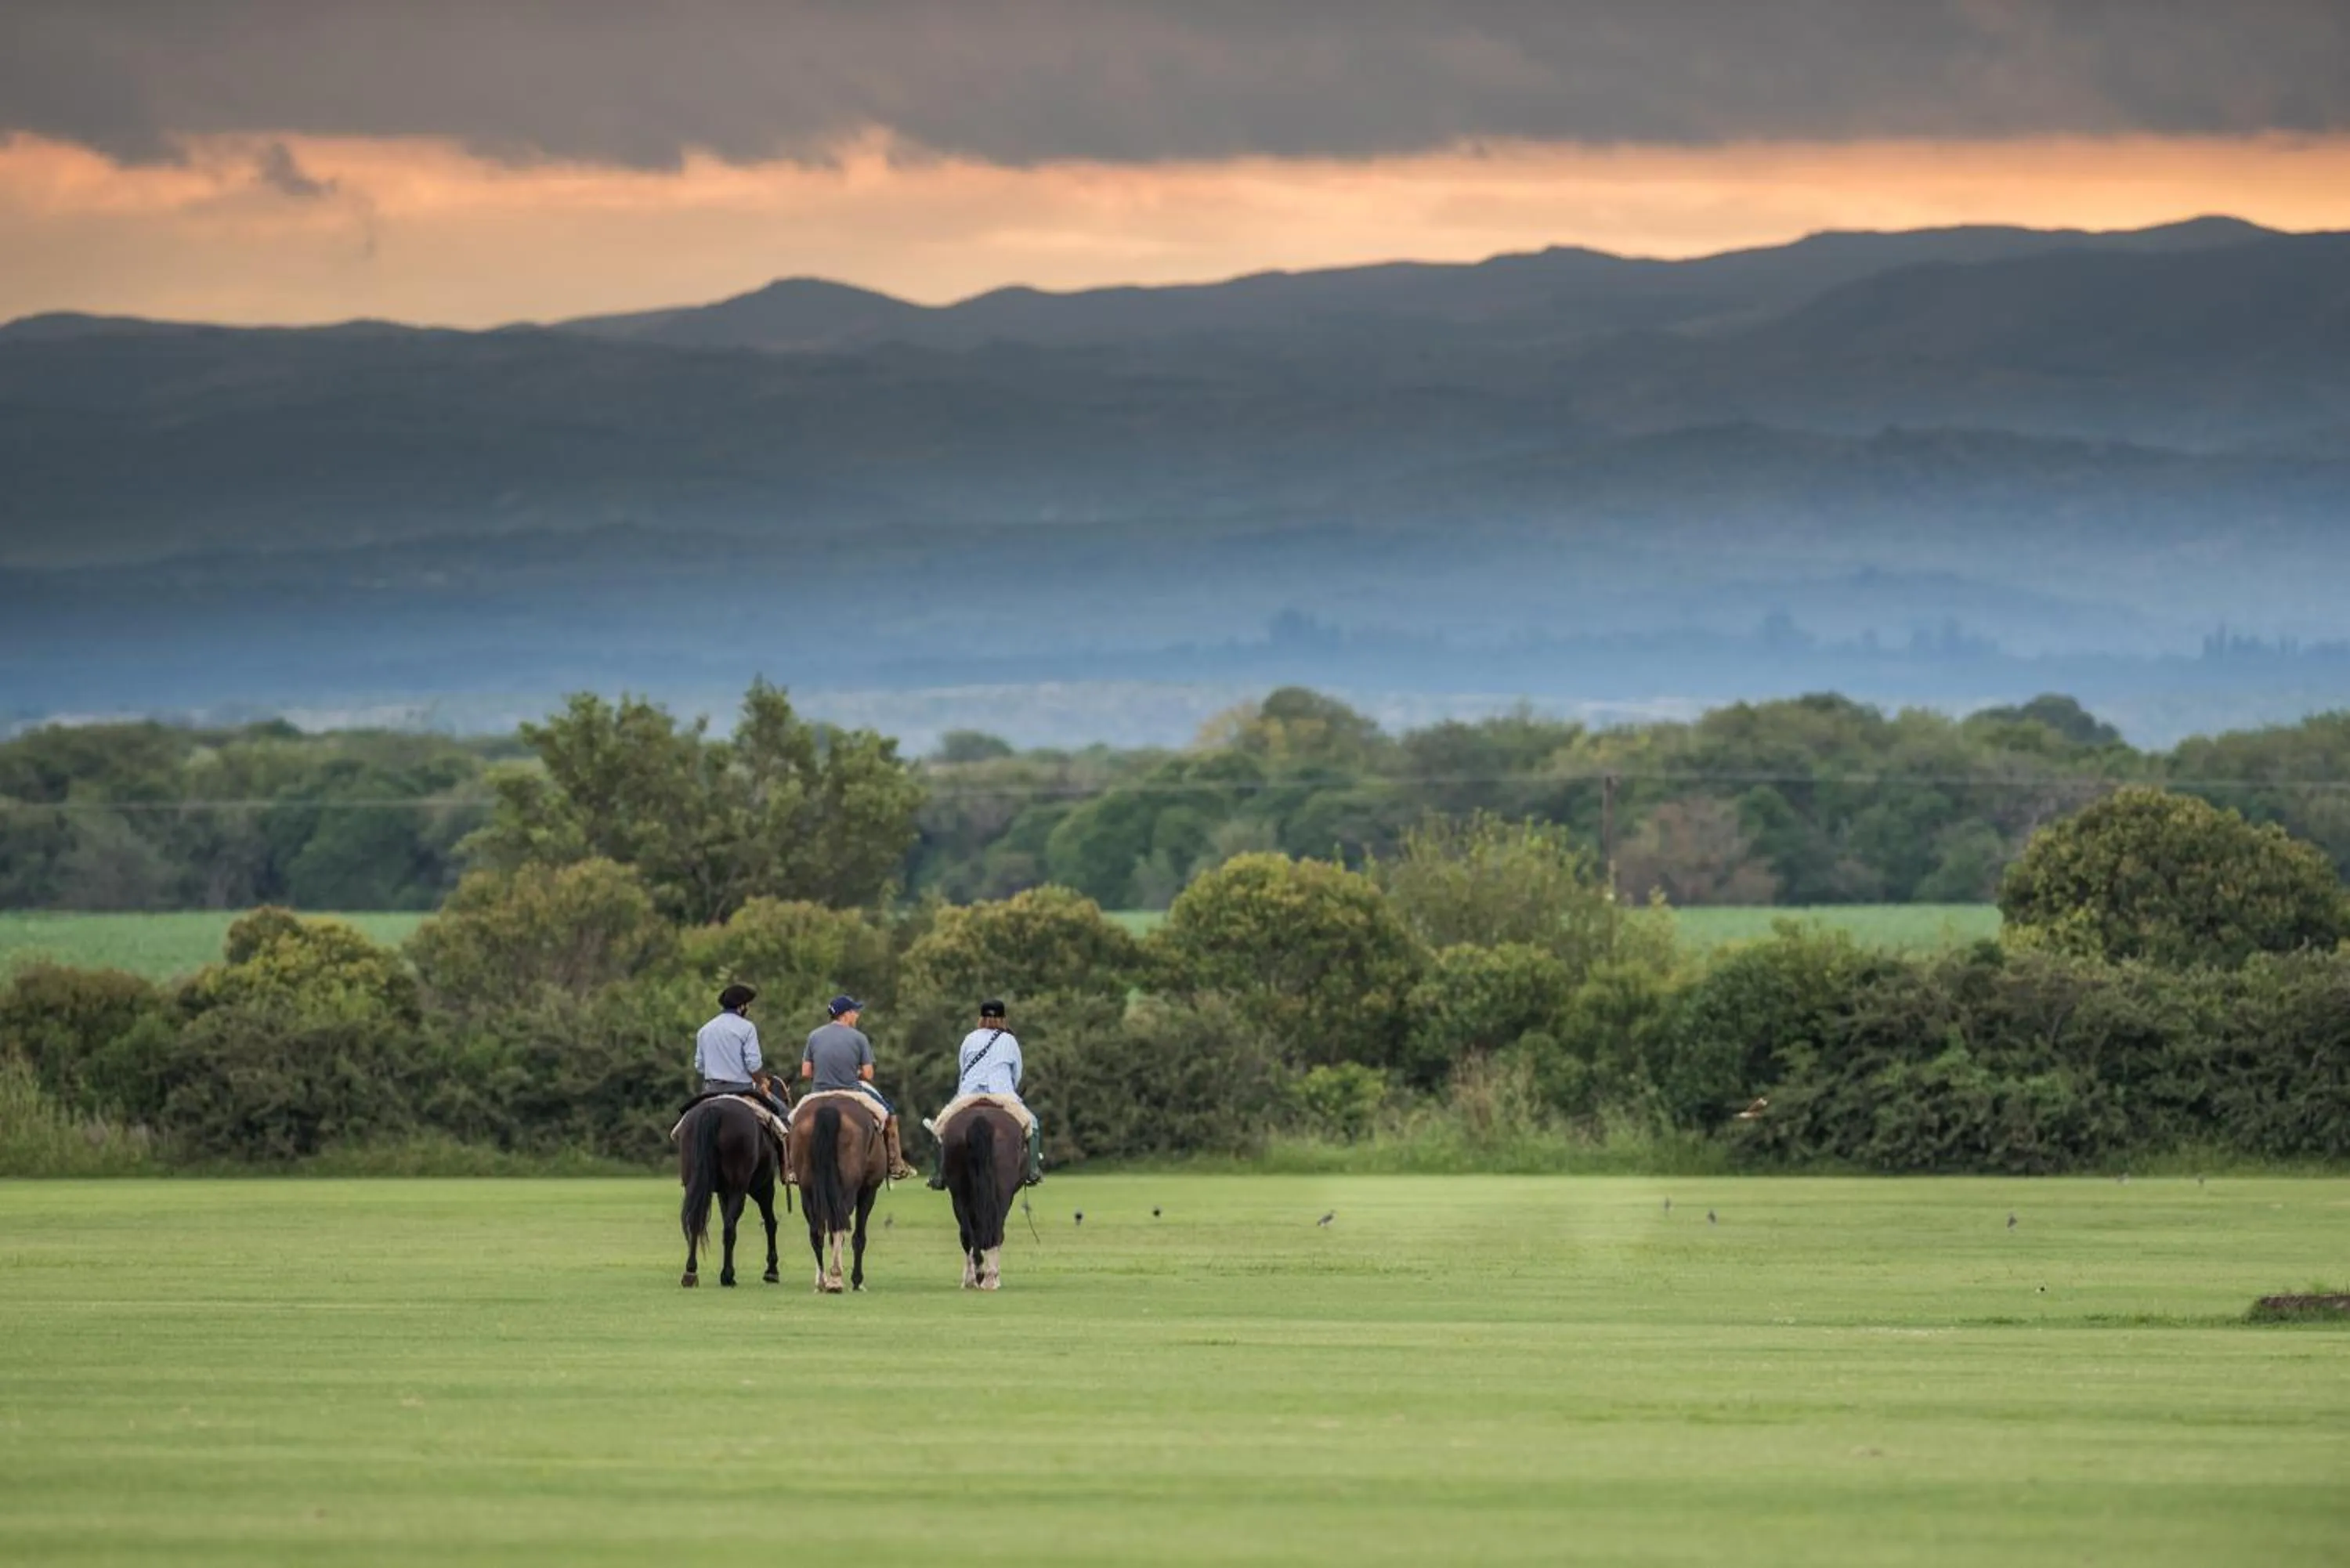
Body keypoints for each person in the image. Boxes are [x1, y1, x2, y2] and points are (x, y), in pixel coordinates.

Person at [928, 998, 1043, 1189]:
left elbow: (963, 1068)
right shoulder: (1010, 1040)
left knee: (938, 1128)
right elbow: (1017, 1073)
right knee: (1034, 1126)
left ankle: (939, 1176)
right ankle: (1032, 1171)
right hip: (1003, 1094)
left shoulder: (969, 1038)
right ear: (1003, 1019)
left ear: (981, 1018)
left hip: (968, 1094)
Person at [801, 995, 917, 1182]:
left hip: (818, 1093)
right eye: (855, 1012)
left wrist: (826, 1073)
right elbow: (869, 1075)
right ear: (846, 1015)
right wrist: (852, 1072)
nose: (857, 1016)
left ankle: (790, 1167)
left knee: (790, 1124)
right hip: (851, 1091)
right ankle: (896, 1164)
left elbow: (806, 1072)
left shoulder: (814, 1036)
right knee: (889, 1116)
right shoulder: (859, 1038)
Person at [692, 984, 790, 1120]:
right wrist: (762, 1082)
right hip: (742, 1089)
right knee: (785, 1114)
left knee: (685, 1122)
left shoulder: (704, 1030)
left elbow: (700, 1067)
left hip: (711, 1090)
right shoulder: (747, 1028)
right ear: (742, 1006)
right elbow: (753, 1065)